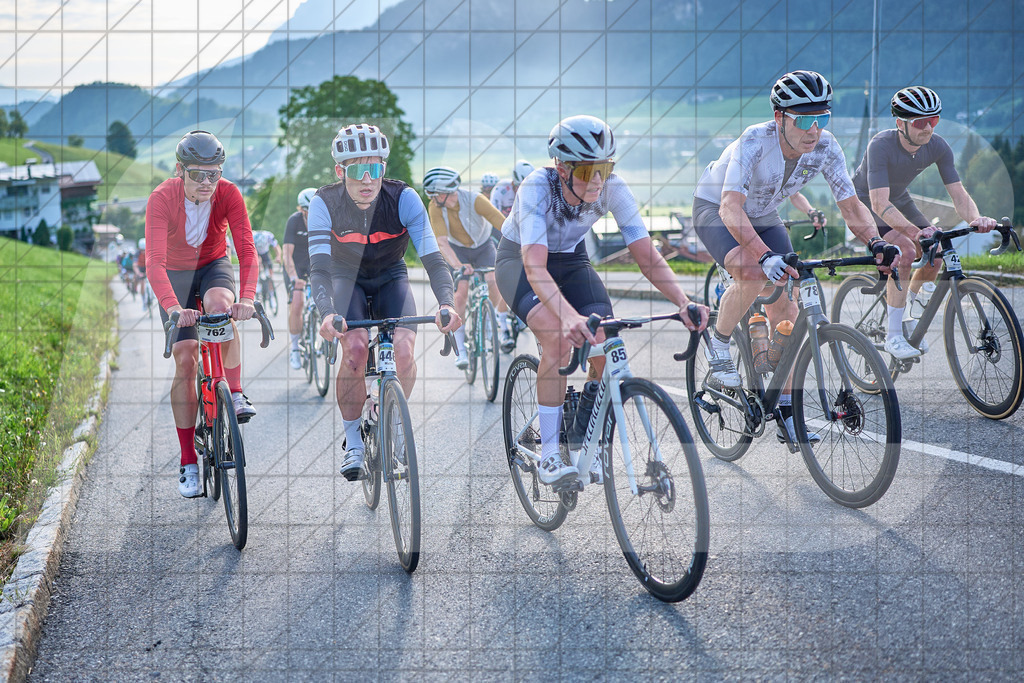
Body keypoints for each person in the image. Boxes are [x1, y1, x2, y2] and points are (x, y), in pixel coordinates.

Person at [495, 114, 708, 487]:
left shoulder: (613, 188)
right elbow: (535, 267)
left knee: (605, 343)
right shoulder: (537, 187)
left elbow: (646, 255)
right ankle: (549, 454)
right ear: (561, 167)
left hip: (572, 261)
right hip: (520, 263)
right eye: (586, 171)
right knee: (558, 339)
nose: (597, 180)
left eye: (604, 169)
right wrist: (567, 317)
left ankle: (585, 427)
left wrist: (682, 301)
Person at [692, 70, 898, 442]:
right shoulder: (755, 140)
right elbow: (729, 207)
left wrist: (875, 243)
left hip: (763, 213)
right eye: (804, 120)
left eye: (822, 119)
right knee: (752, 273)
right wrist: (764, 256)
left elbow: (851, 206)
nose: (813, 129)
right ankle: (719, 345)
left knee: (788, 307)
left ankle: (786, 409)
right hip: (717, 208)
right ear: (780, 117)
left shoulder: (826, 147)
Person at [309, 124, 462, 481]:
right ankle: (353, 442)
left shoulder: (403, 197)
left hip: (391, 275)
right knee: (354, 350)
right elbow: (319, 269)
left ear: (384, 168)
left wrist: (446, 303)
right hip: (346, 279)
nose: (367, 179)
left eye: (375, 168)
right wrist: (327, 313)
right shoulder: (324, 202)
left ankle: (394, 424)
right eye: (357, 170)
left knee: (404, 352)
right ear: (339, 171)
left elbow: (434, 259)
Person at [145, 130, 259, 498]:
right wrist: (174, 308)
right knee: (185, 358)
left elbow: (247, 250)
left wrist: (247, 298)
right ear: (180, 170)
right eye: (197, 174)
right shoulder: (162, 198)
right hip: (174, 273)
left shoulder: (229, 194)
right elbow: (154, 262)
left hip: (212, 264)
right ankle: (188, 461)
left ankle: (235, 392)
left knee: (222, 310)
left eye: (214, 173)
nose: (207, 182)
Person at [852, 85, 997, 356]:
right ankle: (894, 336)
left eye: (933, 120)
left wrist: (977, 219)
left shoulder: (938, 146)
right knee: (905, 252)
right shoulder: (880, 145)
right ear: (901, 123)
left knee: (935, 252)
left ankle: (907, 312)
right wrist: (913, 232)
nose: (928, 128)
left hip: (899, 199)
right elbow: (879, 203)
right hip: (866, 201)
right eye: (920, 122)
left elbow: (958, 194)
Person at [422, 166, 509, 367]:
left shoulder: (476, 199)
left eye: (434, 194)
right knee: (460, 293)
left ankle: (491, 321)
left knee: (494, 280)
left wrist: (516, 250)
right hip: (457, 250)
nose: (432, 199)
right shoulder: (436, 207)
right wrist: (458, 265)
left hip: (483, 246)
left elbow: (502, 224)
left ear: (444, 193)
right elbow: (442, 242)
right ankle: (460, 348)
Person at [283, 187, 316, 369]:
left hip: (314, 265)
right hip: (295, 266)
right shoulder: (294, 221)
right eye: (311, 211)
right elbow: (287, 255)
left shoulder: (326, 219)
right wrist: (294, 277)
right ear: (303, 210)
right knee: (297, 303)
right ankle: (295, 348)